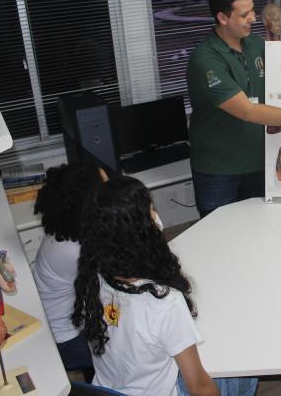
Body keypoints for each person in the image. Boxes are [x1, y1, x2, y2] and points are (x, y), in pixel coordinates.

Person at [186, 0, 281, 218]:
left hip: (259, 161)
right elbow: (247, 111)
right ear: (223, 18)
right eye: (244, 14)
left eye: (253, 10)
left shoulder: (255, 44)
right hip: (219, 169)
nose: (254, 18)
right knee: (220, 234)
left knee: (260, 227)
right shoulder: (206, 60)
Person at [72, 177, 228, 396]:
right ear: (141, 232)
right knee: (238, 375)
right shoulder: (163, 302)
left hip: (108, 389)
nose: (156, 217)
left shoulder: (91, 277)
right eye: (151, 211)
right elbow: (199, 387)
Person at [32, 162, 106, 376]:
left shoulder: (65, 230)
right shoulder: (75, 250)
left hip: (61, 321)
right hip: (65, 341)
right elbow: (128, 271)